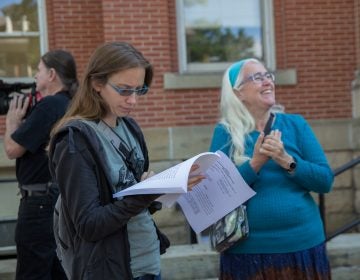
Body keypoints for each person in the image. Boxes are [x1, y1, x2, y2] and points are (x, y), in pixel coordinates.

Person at [47, 41, 204, 280]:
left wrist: (162, 189)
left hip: (147, 261)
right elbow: (89, 225)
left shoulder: (129, 127)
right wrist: (144, 194)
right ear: (96, 83)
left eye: (139, 90)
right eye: (124, 90)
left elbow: (132, 203)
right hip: (111, 269)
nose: (133, 101)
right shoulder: (75, 140)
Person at [209, 58, 334, 280]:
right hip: (248, 253)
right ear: (238, 93)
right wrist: (255, 163)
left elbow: (325, 181)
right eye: (257, 78)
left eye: (268, 76)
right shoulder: (225, 133)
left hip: (303, 244)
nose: (267, 82)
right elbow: (215, 197)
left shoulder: (295, 124)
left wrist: (287, 160)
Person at [4, 50, 78, 279]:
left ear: (52, 74)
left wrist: (11, 122)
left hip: (39, 204)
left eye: (38, 70)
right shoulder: (68, 104)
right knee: (56, 270)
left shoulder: (49, 106)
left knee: (32, 271)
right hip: (57, 200)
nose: (35, 76)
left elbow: (12, 149)